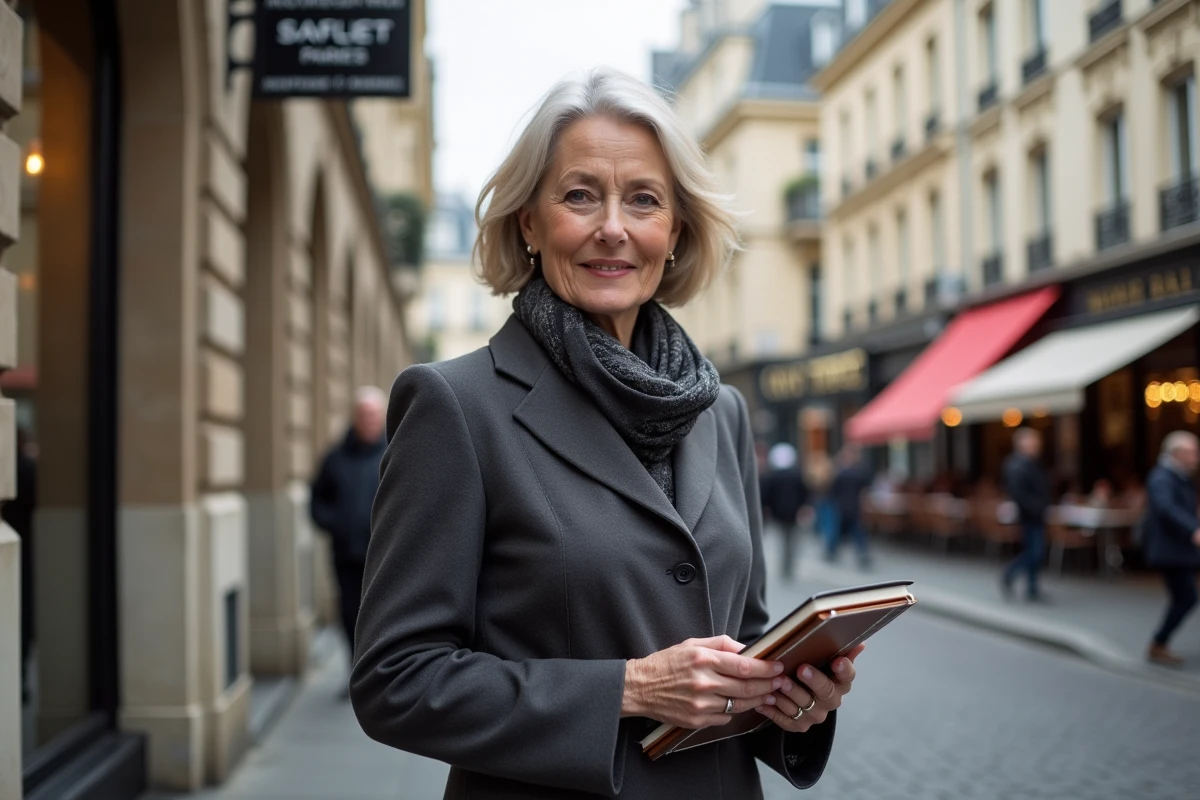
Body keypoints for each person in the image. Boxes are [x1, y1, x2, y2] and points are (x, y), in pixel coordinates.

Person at [350, 69, 861, 799]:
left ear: (676, 229)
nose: (613, 226)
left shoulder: (721, 410)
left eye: (644, 199)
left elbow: (739, 637)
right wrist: (628, 688)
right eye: (580, 194)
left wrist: (793, 698)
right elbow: (394, 680)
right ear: (529, 221)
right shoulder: (455, 405)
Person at [310, 386, 388, 686]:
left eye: (373, 415)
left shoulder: (396, 452)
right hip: (346, 554)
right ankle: (356, 672)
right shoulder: (335, 458)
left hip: (384, 554)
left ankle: (380, 673)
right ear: (355, 417)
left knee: (382, 614)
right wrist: (336, 524)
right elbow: (317, 502)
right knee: (348, 614)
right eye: (363, 415)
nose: (368, 420)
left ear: (381, 418)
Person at [1143, 431, 1200, 667]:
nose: (1196, 457)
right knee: (1186, 597)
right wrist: (1192, 530)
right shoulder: (1162, 478)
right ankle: (1158, 643)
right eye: (1192, 452)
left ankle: (1159, 642)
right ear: (1177, 453)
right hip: (1170, 551)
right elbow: (1167, 508)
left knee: (1184, 597)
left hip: (1180, 550)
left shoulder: (1180, 477)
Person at [1, 428, 37, 701]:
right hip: (23, 549)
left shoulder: (22, 469)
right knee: (21, 613)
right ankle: (18, 676)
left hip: (18, 548)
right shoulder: (27, 468)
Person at [1000, 428, 1052, 601]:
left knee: (1033, 550)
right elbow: (1019, 493)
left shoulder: (1031, 463)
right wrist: (1037, 507)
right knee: (1035, 552)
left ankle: (1032, 588)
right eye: (1033, 443)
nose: (1037, 446)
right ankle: (1010, 573)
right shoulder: (1018, 465)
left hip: (1034, 514)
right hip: (1029, 515)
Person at [761, 442, 810, 580]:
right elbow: (805, 494)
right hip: (794, 513)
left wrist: (767, 509)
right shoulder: (797, 475)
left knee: (783, 541)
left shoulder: (772, 476)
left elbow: (766, 496)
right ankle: (789, 567)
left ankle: (785, 567)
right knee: (792, 541)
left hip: (778, 514)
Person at [827, 444, 871, 568]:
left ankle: (831, 551)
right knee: (855, 532)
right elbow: (864, 491)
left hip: (843, 506)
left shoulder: (840, 473)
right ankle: (862, 553)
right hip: (852, 507)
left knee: (840, 532)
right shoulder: (858, 472)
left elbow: (831, 490)